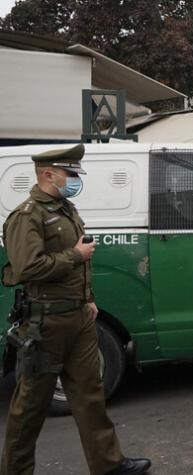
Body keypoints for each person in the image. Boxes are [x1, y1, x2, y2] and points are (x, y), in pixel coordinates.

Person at [0, 144, 150, 475]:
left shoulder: (66, 209)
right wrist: (75, 256)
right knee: (30, 405)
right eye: (70, 173)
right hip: (46, 322)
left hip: (79, 316)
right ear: (48, 174)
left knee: (90, 395)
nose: (75, 179)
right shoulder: (27, 216)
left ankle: (108, 464)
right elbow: (28, 268)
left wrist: (88, 299)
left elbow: (78, 269)